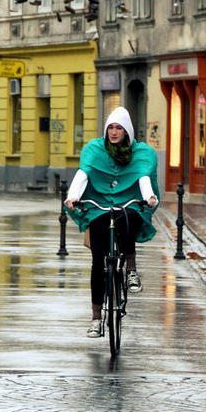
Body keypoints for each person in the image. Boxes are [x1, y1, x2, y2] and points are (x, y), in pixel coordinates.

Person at [64, 106, 159, 338]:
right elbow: (84, 172)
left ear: (127, 131)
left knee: (129, 218)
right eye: (111, 128)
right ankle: (96, 318)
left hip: (129, 202)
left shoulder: (141, 152)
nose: (114, 132)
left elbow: (144, 176)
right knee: (98, 262)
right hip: (100, 205)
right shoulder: (95, 149)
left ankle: (131, 270)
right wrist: (73, 195)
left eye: (119, 128)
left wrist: (149, 197)